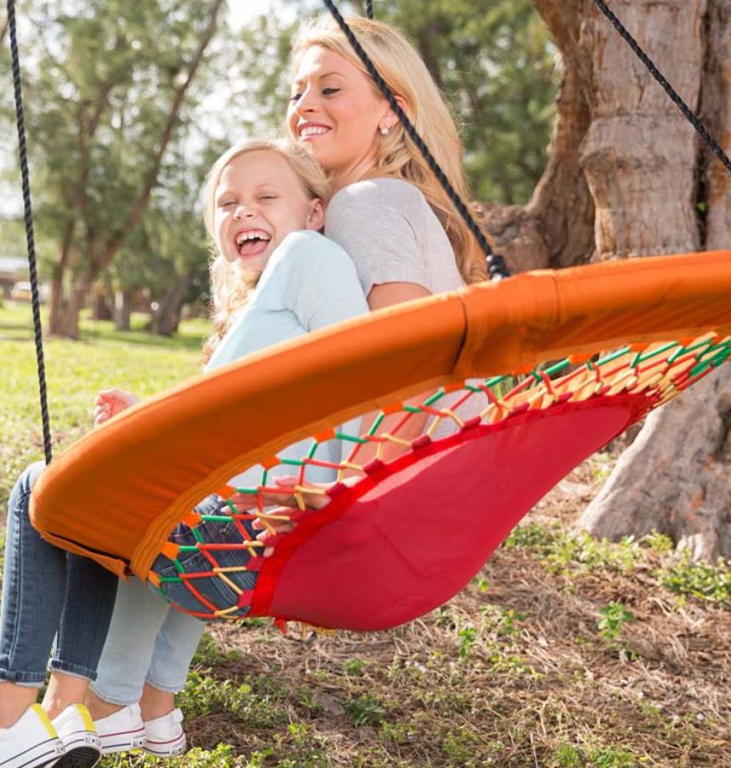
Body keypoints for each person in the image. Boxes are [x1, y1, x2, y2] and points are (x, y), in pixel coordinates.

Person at [83, 13, 490, 758]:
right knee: (206, 485)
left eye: (330, 87)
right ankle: (150, 704)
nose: (304, 104)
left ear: (394, 111)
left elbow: (398, 367)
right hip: (406, 498)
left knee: (169, 488)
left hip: (377, 495)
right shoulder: (384, 210)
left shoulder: (366, 206)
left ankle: (106, 699)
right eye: (295, 90)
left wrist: (320, 517)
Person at [0, 138, 368, 767]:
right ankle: (75, 711)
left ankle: (9, 724)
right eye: (227, 203)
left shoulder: (309, 255)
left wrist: (314, 500)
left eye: (265, 197)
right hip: (237, 521)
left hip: (250, 526)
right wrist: (146, 417)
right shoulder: (267, 302)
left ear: (312, 212)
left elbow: (362, 374)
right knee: (91, 499)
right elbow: (238, 420)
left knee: (40, 488)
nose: (243, 213)